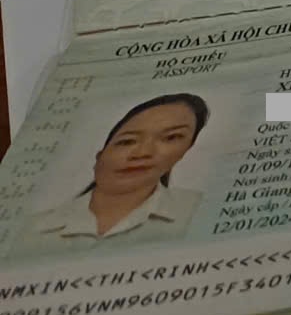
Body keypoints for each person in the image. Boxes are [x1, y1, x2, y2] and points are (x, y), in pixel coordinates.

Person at [27, 94, 208, 246]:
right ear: (100, 156)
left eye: (171, 137)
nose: (142, 153)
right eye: (127, 141)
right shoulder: (33, 228)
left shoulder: (199, 211)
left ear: (184, 152)